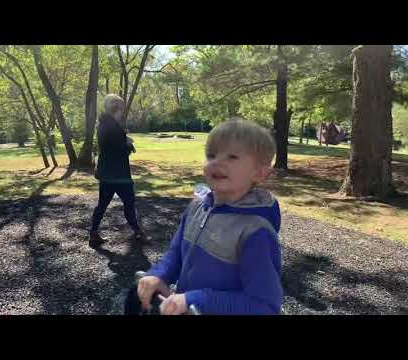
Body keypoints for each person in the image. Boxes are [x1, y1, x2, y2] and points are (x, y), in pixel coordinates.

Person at [126, 118, 282, 315]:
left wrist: (195, 299)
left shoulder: (255, 231)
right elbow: (176, 255)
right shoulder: (197, 207)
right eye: (211, 155)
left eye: (232, 156)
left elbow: (264, 305)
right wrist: (158, 275)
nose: (216, 162)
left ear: (259, 173)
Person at [90, 94, 148, 246]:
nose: (122, 112)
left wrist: (125, 140)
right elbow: (118, 150)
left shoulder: (104, 124)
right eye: (121, 109)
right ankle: (137, 232)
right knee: (129, 202)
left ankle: (93, 233)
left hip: (107, 174)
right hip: (118, 174)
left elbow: (112, 146)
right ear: (117, 109)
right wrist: (128, 143)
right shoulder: (111, 126)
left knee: (103, 205)